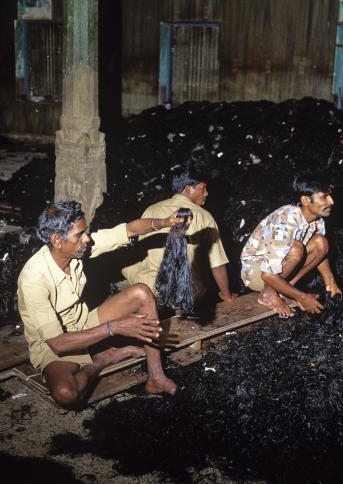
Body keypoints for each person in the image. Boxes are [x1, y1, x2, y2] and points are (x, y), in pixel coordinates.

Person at [17, 200, 184, 409]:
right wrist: (115, 327)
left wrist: (164, 222)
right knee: (66, 394)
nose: (87, 239)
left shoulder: (78, 248)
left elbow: (129, 229)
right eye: (79, 235)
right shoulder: (33, 278)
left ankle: (156, 377)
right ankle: (102, 359)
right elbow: (57, 343)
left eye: (85, 231)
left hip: (85, 322)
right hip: (55, 343)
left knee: (142, 292)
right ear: (57, 240)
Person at [122, 170, 237, 305]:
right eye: (203, 189)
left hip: (153, 288)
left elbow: (141, 251)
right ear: (188, 189)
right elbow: (217, 266)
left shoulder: (151, 210)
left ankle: (150, 297)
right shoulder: (205, 216)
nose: (206, 193)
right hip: (189, 292)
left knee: (127, 265)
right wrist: (226, 295)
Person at [240, 176, 342, 317]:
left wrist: (330, 280)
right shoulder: (286, 220)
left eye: (330, 196)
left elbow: (321, 252)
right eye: (324, 197)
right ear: (305, 200)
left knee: (321, 242)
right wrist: (302, 297)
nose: (332, 201)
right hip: (256, 273)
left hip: (280, 270)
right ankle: (268, 294)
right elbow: (267, 274)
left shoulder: (317, 220)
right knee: (296, 249)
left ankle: (283, 289)